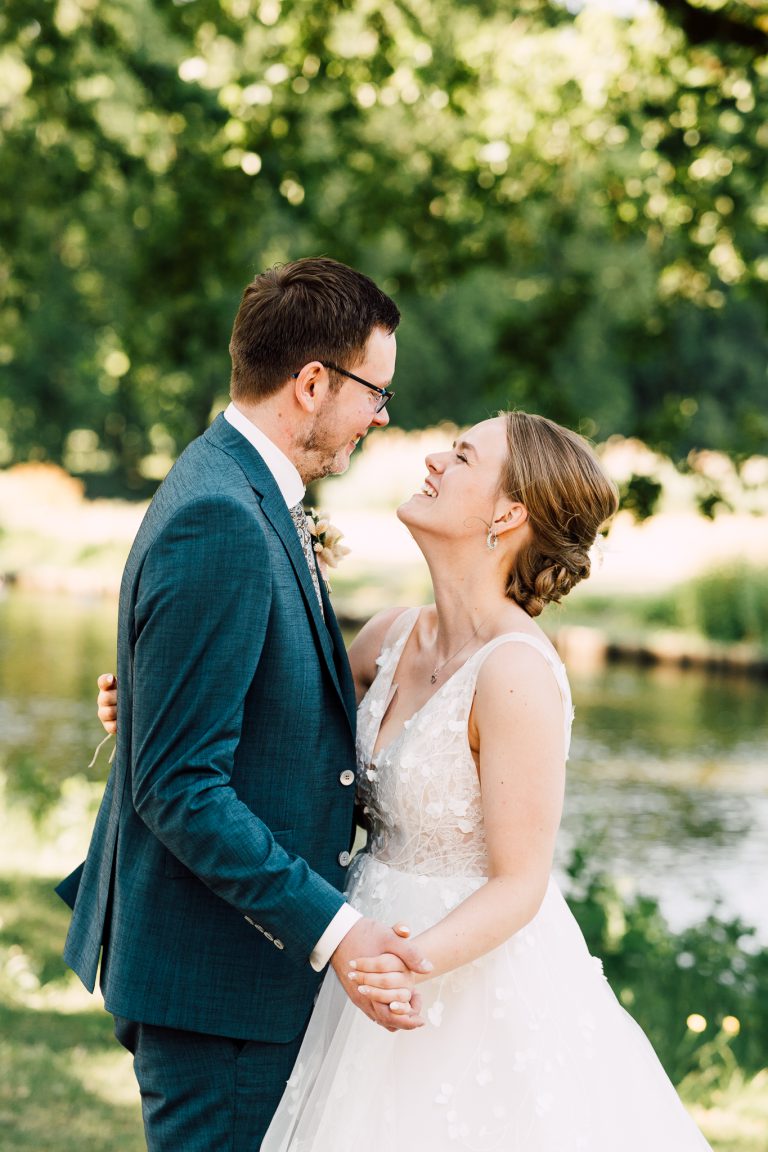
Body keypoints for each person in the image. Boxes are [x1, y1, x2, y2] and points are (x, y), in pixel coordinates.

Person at [97, 411, 714, 1150]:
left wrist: (404, 966)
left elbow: (520, 883)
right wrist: (156, 702)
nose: (433, 461)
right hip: (352, 946)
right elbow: (287, 746)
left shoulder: (517, 673)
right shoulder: (386, 639)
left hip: (452, 973)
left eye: (460, 456)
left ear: (508, 512)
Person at [57, 257, 433, 1152]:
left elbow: (230, 703)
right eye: (374, 392)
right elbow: (181, 786)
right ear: (312, 383)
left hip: (226, 972)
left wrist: (152, 704)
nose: (381, 416)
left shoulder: (238, 485)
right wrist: (337, 932)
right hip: (217, 979)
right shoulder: (223, 514)